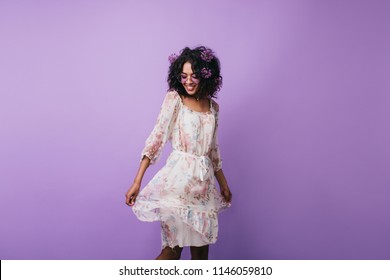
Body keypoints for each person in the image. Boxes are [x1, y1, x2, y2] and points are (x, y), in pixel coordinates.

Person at [125, 46, 232, 260]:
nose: (189, 81)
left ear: (206, 76)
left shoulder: (213, 108)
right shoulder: (175, 99)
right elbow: (157, 138)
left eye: (194, 76)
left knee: (201, 256)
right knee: (172, 251)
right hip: (178, 184)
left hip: (203, 188)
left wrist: (224, 183)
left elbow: (212, 151)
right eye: (184, 76)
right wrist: (137, 181)